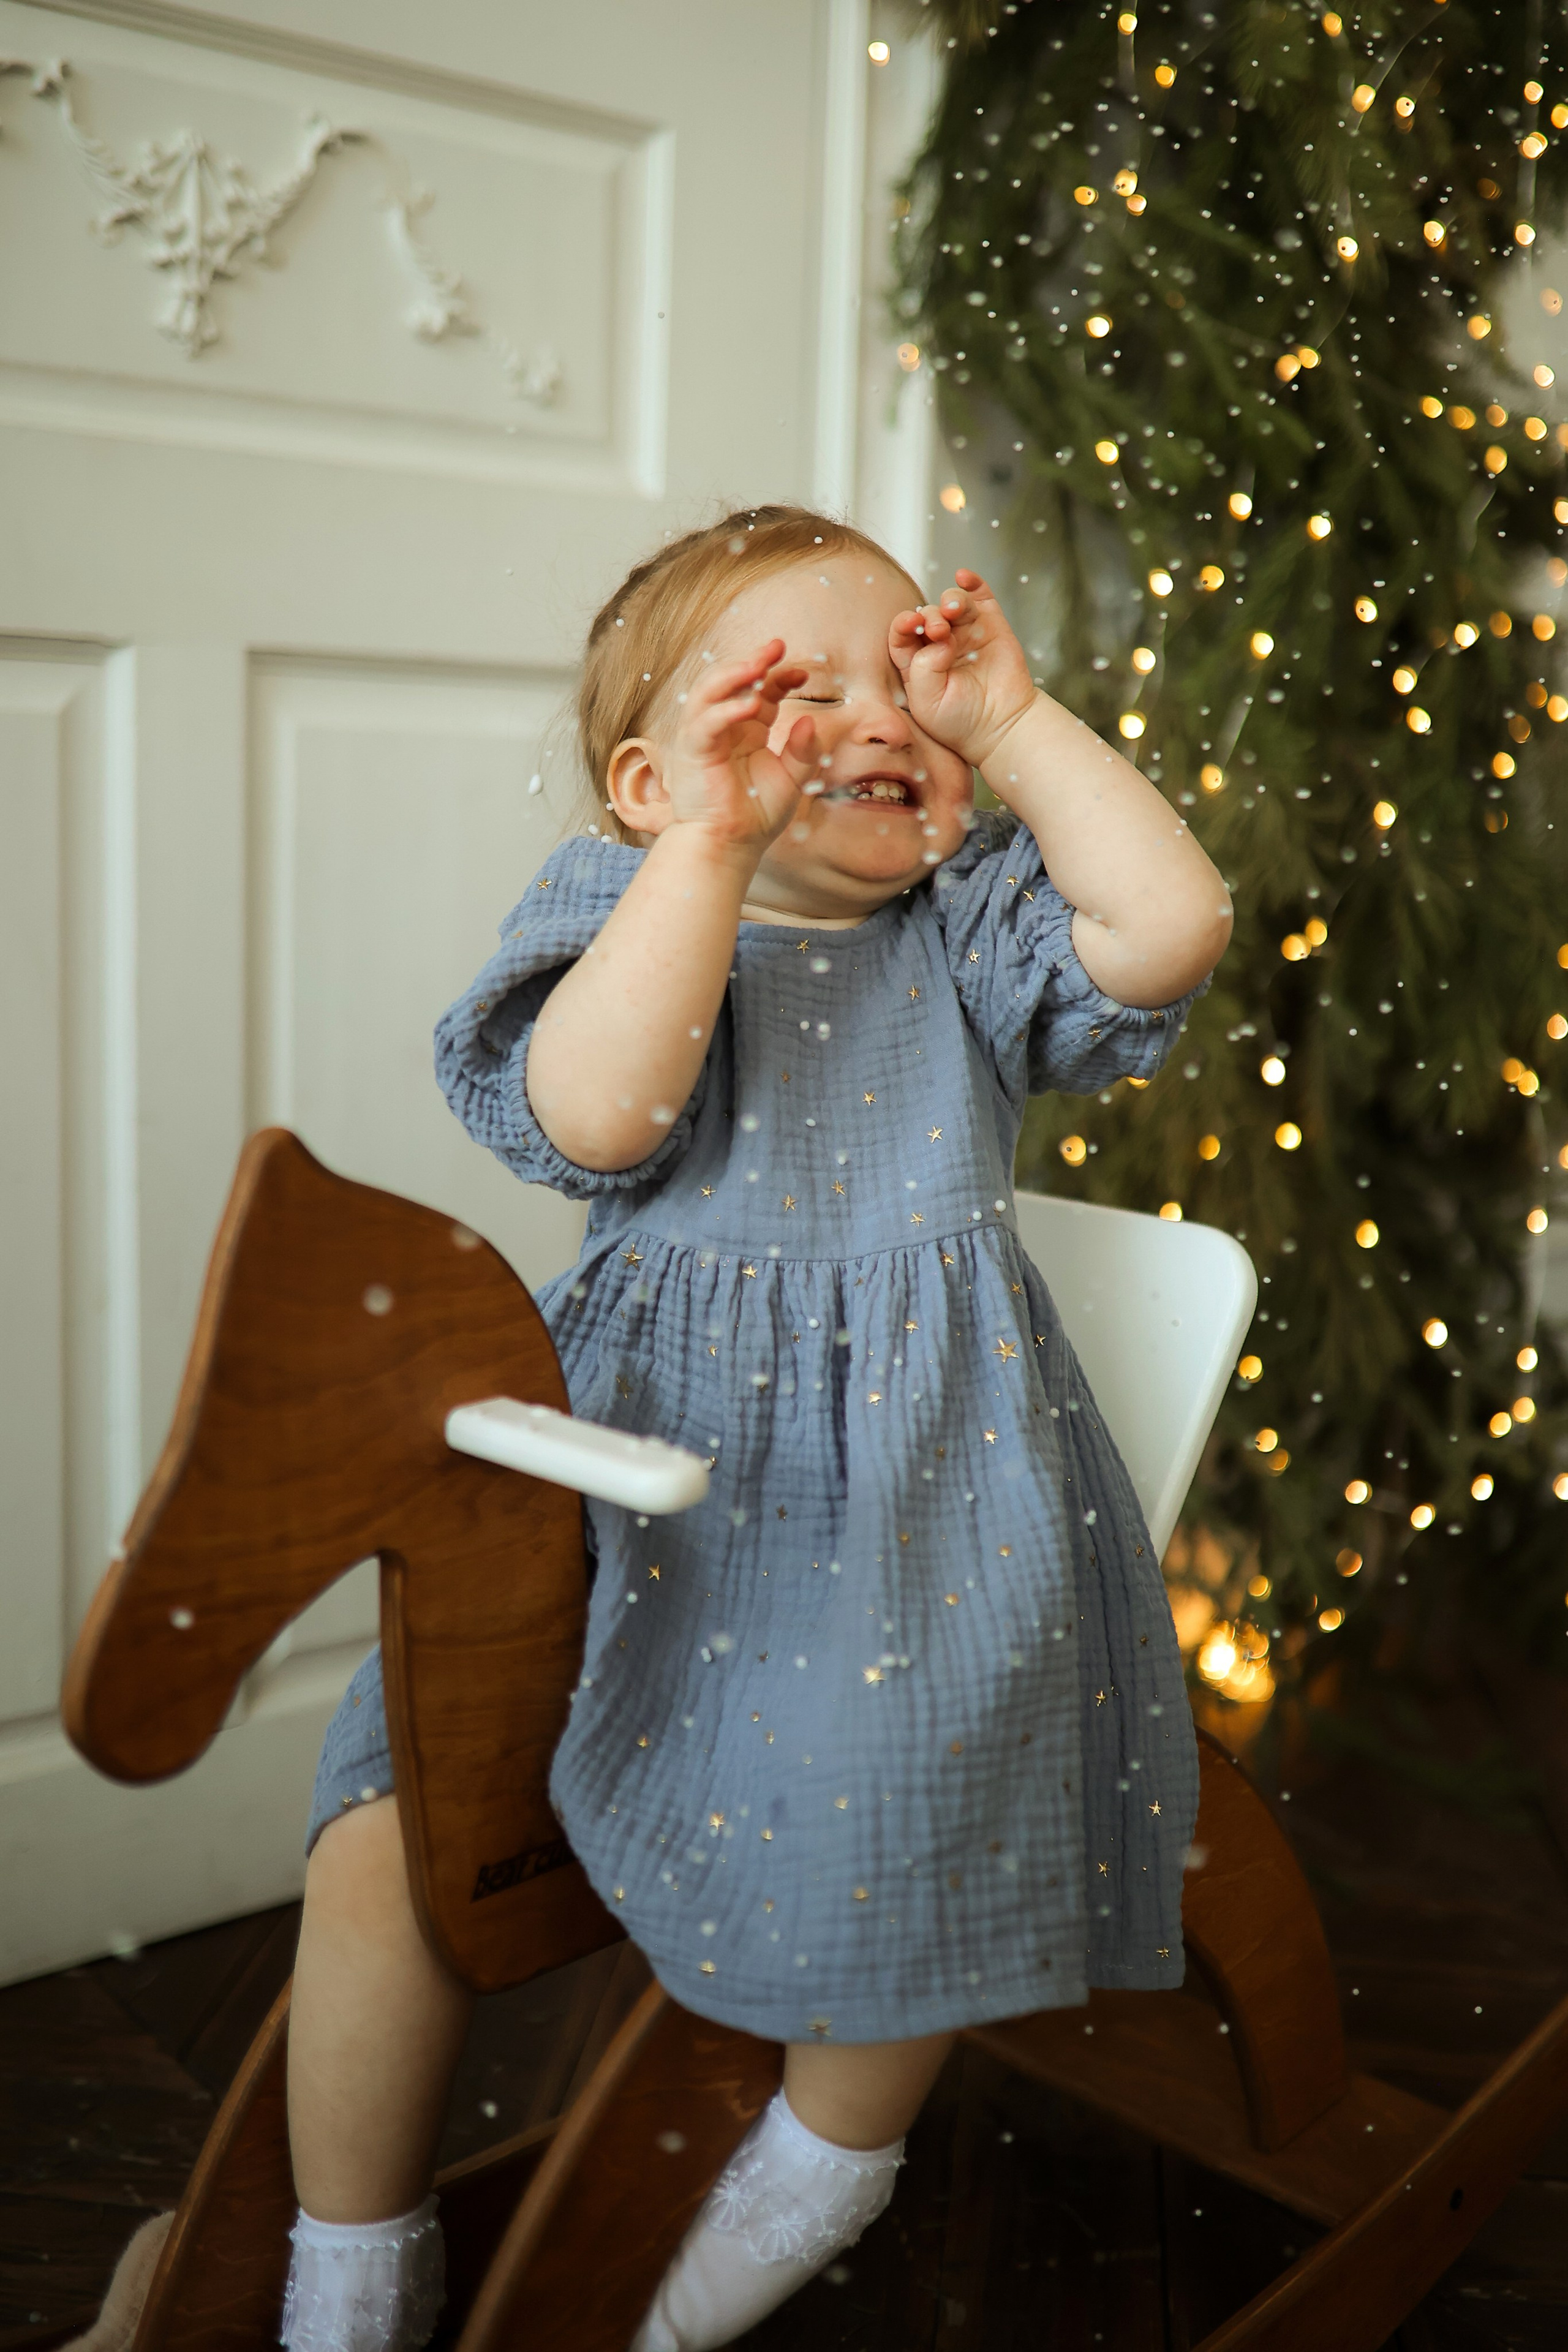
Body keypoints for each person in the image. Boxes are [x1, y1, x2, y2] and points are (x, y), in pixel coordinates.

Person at [279, 506, 1232, 2352]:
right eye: (806, 690)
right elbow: (601, 1118)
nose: (882, 717)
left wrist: (1020, 725)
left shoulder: (967, 930)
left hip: (915, 1509)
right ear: (652, 784)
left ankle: (823, 2159)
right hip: (624, 1468)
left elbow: (1170, 927)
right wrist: (710, 855)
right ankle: (352, 2250)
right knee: (387, 1814)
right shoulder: (630, 914)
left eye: (914, 683)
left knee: (920, 1792)